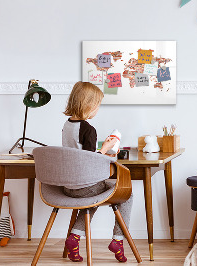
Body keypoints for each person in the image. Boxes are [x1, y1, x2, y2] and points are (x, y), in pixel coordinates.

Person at [62, 81, 132, 263]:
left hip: (68, 186)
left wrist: (101, 149)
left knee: (93, 198)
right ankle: (118, 240)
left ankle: (74, 238)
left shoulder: (67, 125)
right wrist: (106, 149)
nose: (98, 109)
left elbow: (79, 154)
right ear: (88, 105)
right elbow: (89, 161)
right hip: (85, 186)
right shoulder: (88, 129)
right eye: (98, 105)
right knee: (127, 194)